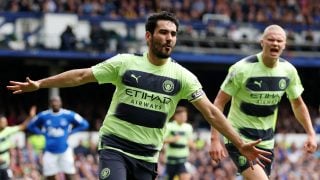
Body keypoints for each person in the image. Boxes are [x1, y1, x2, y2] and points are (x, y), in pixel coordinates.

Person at [7, 11, 271, 180]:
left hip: (148, 155)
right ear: (149, 36)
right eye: (164, 32)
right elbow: (81, 76)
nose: (169, 38)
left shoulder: (183, 77)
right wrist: (40, 84)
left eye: (173, 34)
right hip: (115, 146)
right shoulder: (124, 63)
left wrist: (238, 142)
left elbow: (211, 112)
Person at [209, 24, 317, 180]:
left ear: (284, 45)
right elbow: (219, 103)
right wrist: (214, 139)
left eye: (279, 41)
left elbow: (298, 103)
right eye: (271, 40)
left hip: (266, 143)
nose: (275, 43)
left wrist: (311, 133)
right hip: (239, 139)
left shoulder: (289, 71)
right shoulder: (241, 69)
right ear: (262, 42)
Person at [27, 96, 89, 180]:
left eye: (57, 101)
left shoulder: (68, 114)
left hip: (65, 150)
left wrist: (71, 132)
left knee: (70, 174)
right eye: (53, 101)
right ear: (50, 104)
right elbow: (30, 125)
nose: (55, 103)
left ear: (61, 102)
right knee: (50, 176)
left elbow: (84, 124)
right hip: (49, 151)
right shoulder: (44, 115)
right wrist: (41, 133)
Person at [0, 106, 36, 180]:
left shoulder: (7, 130)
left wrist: (31, 117)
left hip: (5, 162)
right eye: (3, 122)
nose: (5, 123)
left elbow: (22, 126)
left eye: (6, 122)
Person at [163, 106, 195, 180]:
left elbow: (191, 141)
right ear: (176, 116)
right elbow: (162, 140)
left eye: (185, 115)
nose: (184, 117)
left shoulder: (188, 127)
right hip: (171, 160)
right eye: (181, 115)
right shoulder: (169, 126)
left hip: (183, 160)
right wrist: (172, 139)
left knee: (185, 177)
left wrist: (193, 145)